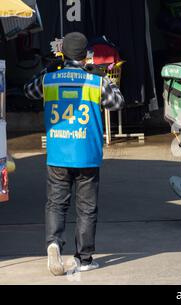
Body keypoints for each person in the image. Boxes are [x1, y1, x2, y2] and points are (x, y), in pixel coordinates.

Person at [24, 32, 124, 276]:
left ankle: (53, 243)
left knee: (56, 203)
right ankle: (85, 258)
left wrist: (45, 71)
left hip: (58, 152)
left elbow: (28, 91)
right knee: (86, 208)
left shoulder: (48, 79)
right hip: (87, 153)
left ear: (63, 53)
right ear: (85, 55)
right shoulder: (94, 81)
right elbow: (118, 102)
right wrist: (104, 79)